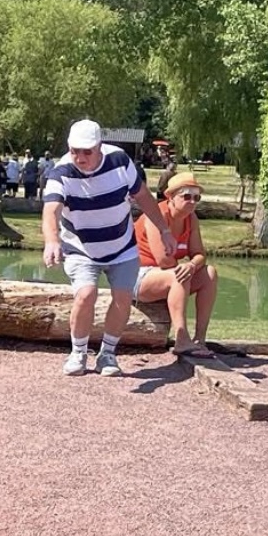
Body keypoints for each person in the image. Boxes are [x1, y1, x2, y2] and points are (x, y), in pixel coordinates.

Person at [43, 118, 177, 377]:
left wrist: (164, 229)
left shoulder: (119, 160)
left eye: (87, 152)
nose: (80, 158)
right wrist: (51, 240)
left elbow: (144, 198)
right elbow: (51, 210)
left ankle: (108, 353)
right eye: (75, 151)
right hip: (80, 246)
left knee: (123, 298)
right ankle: (78, 352)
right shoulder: (61, 172)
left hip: (122, 246)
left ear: (99, 147)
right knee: (86, 294)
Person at [133, 172, 220, 357]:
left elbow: (199, 254)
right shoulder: (155, 216)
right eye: (186, 196)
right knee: (177, 275)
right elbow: (164, 260)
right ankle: (182, 339)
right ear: (170, 196)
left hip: (168, 275)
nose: (192, 201)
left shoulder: (192, 219)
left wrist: (192, 266)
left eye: (197, 197)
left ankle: (199, 339)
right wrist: (185, 269)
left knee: (210, 273)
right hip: (137, 276)